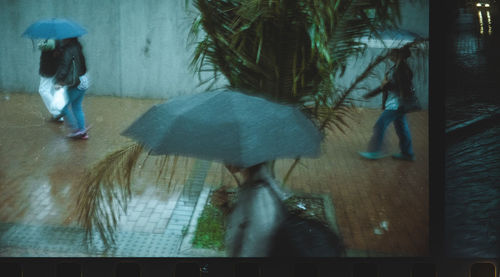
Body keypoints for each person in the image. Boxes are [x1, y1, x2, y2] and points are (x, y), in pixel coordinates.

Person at [358, 46, 418, 161]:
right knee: (401, 127)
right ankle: (407, 153)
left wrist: (384, 86)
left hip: (397, 104)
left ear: (398, 55)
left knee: (380, 125)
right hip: (397, 103)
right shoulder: (396, 68)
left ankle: (376, 151)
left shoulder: (402, 69)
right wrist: (371, 93)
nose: (389, 55)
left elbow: (402, 87)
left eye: (392, 53)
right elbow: (387, 86)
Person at [54, 37, 90, 139]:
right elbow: (83, 66)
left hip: (74, 83)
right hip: (83, 81)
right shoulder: (78, 47)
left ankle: (75, 129)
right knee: (76, 106)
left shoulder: (68, 50)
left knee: (63, 107)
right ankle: (82, 130)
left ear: (68, 38)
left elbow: (65, 66)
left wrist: (59, 81)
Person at [37, 39, 63, 122]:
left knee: (43, 90)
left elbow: (42, 46)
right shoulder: (60, 41)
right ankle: (58, 115)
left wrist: (43, 44)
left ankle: (57, 113)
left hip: (48, 69)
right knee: (52, 91)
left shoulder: (51, 41)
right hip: (55, 68)